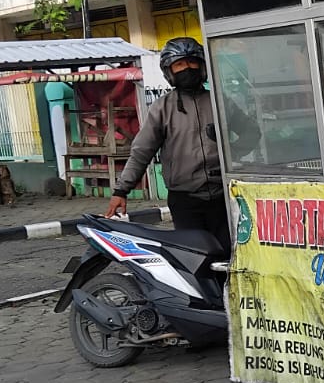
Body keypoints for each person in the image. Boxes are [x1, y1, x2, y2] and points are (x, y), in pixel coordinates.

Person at [106, 37, 258, 249]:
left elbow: (252, 132)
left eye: (191, 62)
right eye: (179, 64)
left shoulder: (219, 102)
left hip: (222, 196)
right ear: (170, 71)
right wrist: (121, 191)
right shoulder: (162, 108)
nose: (187, 68)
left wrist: (232, 153)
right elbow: (142, 152)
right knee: (195, 257)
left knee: (229, 255)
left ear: (201, 65)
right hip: (185, 200)